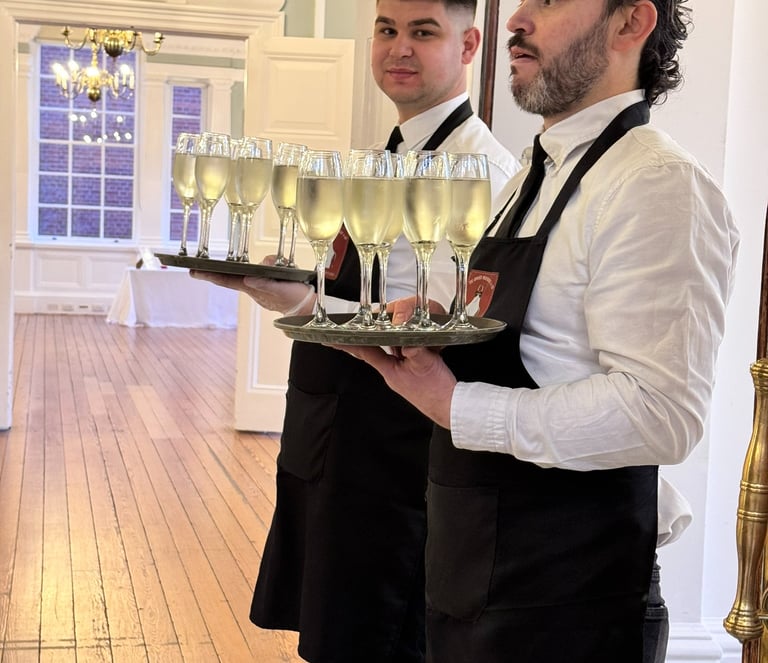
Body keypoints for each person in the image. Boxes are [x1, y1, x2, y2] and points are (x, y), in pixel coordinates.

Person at [333, 0, 739, 661]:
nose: (517, 18)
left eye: (548, 0)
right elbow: (535, 341)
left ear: (630, 24)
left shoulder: (658, 185)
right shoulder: (532, 173)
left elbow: (662, 413)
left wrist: (455, 403)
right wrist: (440, 323)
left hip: (573, 599)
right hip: (475, 574)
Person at [192, 1, 519, 661]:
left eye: (423, 32)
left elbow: (437, 336)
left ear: (469, 44)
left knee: (381, 638)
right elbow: (359, 296)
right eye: (386, 30)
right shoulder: (379, 157)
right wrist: (290, 294)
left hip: (397, 459)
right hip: (334, 435)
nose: (398, 48)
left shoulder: (483, 172)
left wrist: (301, 301)